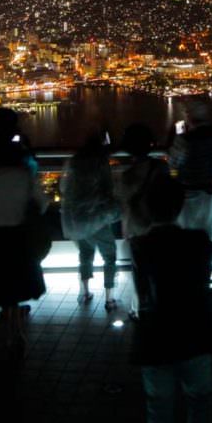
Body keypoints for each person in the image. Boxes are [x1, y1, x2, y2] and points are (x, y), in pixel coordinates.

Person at [130, 173, 212, 423]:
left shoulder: (139, 246)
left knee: (159, 407)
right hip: (194, 331)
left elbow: (143, 292)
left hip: (155, 337)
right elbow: (204, 278)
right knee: (200, 403)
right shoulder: (199, 241)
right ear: (179, 206)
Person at [0, 108, 48, 356]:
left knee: (0, 284)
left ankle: (7, 328)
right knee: (16, 286)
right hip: (18, 234)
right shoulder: (25, 162)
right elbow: (40, 201)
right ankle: (15, 333)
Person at [61, 133, 121, 311]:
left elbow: (64, 187)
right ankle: (109, 299)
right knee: (109, 256)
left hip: (76, 218)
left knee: (85, 254)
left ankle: (84, 292)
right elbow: (108, 188)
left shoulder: (74, 161)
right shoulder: (101, 162)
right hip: (98, 217)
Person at [117, 124, 170, 319]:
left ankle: (140, 309)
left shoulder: (127, 177)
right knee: (160, 270)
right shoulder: (161, 167)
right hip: (160, 226)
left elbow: (124, 207)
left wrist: (125, 230)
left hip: (137, 230)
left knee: (140, 272)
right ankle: (160, 307)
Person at [169, 100, 212, 238]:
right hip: (209, 190)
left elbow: (173, 162)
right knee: (206, 232)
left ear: (189, 117)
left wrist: (174, 176)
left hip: (189, 191)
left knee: (186, 233)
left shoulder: (186, 139)